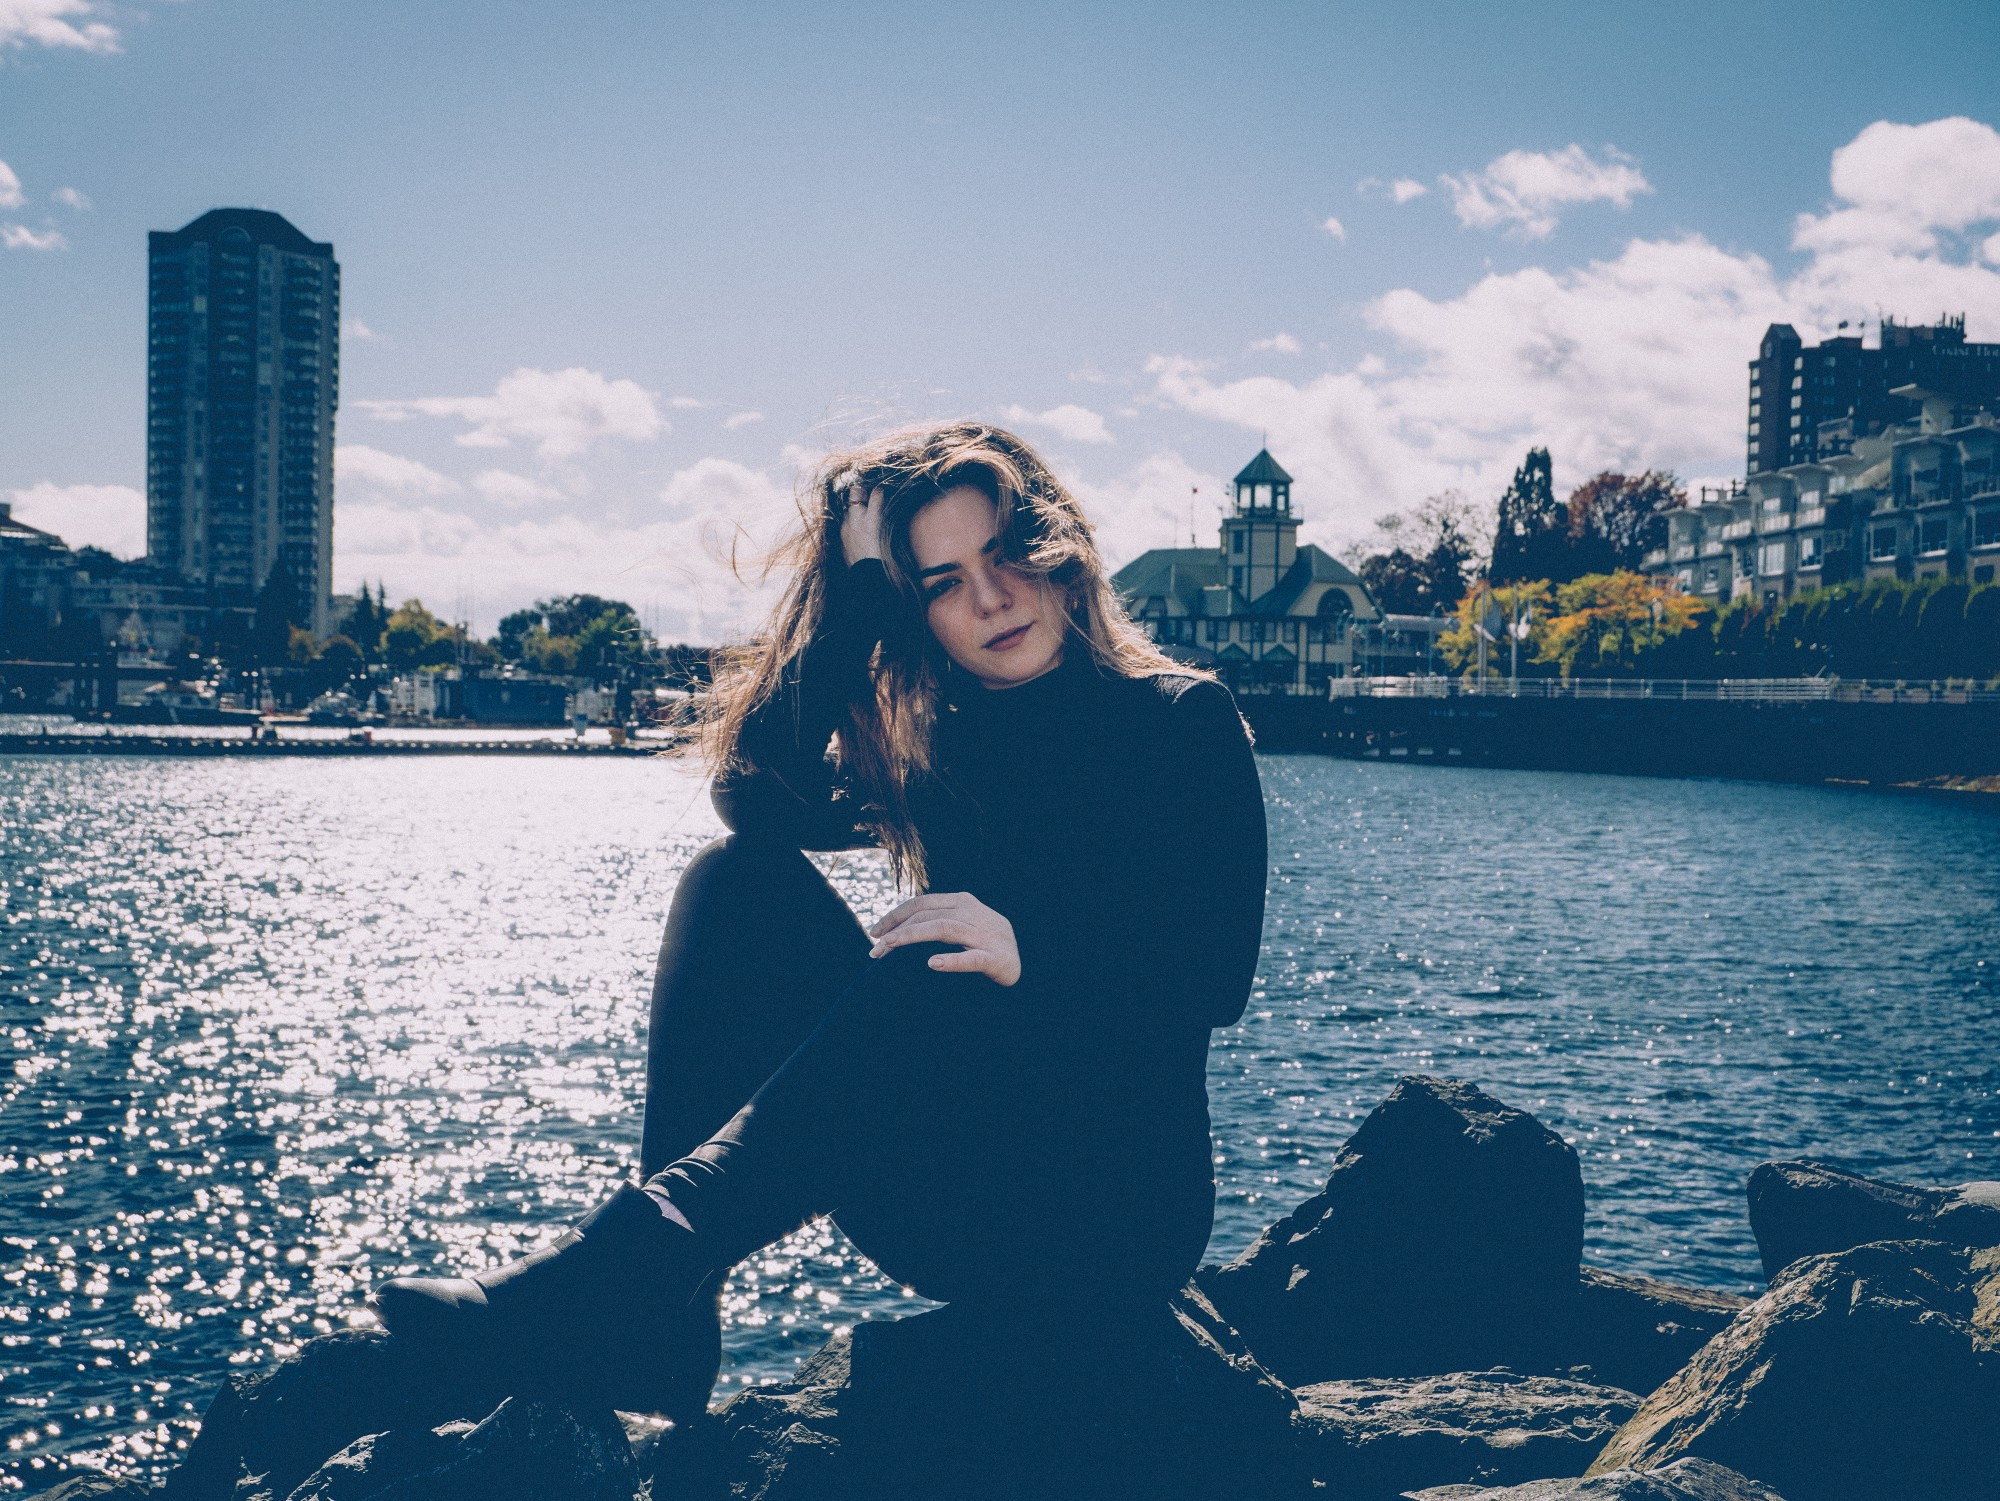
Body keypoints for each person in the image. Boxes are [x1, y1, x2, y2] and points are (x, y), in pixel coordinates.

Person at [371, 421, 1268, 1421]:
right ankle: (669, 1307)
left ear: (1059, 556)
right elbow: (757, 801)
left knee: (938, 947)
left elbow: (1214, 974)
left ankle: (636, 1251)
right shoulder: (943, 741)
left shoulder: (1179, 719)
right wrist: (852, 607)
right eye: (938, 581)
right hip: (953, 1192)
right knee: (735, 886)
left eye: (1006, 555)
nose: (987, 598)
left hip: (1110, 1211)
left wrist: (1027, 951)